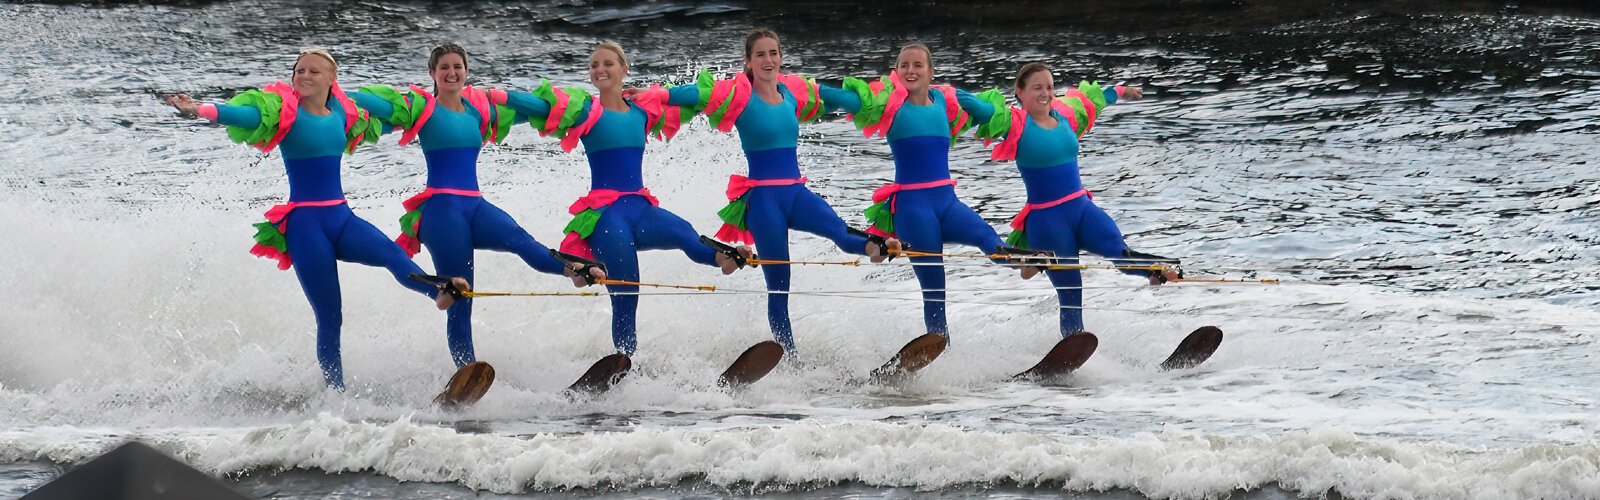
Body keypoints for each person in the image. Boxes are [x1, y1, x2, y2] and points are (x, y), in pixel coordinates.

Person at [165, 48, 469, 389]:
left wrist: (430, 118)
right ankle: (335, 395)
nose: (304, 77)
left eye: (313, 71)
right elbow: (239, 116)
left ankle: (438, 292)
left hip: (340, 217)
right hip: (305, 227)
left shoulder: (343, 113)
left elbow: (384, 123)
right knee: (330, 317)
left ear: (331, 79)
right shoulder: (284, 114)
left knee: (391, 254)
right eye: (299, 71)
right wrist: (198, 109)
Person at [348, 43, 604, 368]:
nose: (452, 73)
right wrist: (326, 89)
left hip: (475, 207)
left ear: (466, 71)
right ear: (433, 74)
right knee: (461, 295)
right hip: (441, 212)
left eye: (458, 67)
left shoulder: (476, 111)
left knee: (520, 239)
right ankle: (466, 372)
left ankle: (575, 271)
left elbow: (535, 110)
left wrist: (502, 95)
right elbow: (372, 103)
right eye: (444, 68)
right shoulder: (421, 108)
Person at [491, 41, 754, 355]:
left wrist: (666, 94)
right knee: (628, 292)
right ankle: (624, 362)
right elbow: (538, 107)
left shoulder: (643, 110)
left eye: (608, 64)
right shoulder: (585, 110)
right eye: (594, 65)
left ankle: (723, 258)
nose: (600, 70)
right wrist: (498, 98)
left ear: (624, 69)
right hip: (605, 215)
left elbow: (698, 99)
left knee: (684, 232)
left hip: (640, 208)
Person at [655, 29, 896, 354]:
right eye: (760, 55)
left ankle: (877, 248)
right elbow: (695, 95)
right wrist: (652, 95)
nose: (768, 60)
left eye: (773, 54)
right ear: (749, 62)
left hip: (796, 194)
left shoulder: (793, 93)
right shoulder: (739, 96)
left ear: (781, 57)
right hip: (763, 201)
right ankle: (790, 357)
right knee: (780, 283)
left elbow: (837, 98)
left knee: (839, 231)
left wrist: (879, 102)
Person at [816, 43, 1040, 341]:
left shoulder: (946, 101)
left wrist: (1016, 110)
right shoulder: (889, 104)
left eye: (918, 65)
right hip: (912, 208)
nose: (911, 70)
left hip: (947, 203)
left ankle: (1030, 264)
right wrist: (801, 88)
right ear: (896, 72)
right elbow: (844, 98)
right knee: (934, 282)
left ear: (930, 72)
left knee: (987, 237)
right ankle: (937, 345)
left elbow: (987, 112)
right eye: (904, 65)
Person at [959, 62, 1180, 337]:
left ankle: (1157, 271)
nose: (1045, 93)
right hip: (1047, 221)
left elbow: (1095, 101)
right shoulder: (1014, 122)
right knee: (1071, 292)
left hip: (1082, 209)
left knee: (1120, 252)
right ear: (1020, 92)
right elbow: (978, 108)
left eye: (1049, 87)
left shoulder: (1065, 116)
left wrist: (1122, 90)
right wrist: (937, 92)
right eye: (1037, 87)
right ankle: (1072, 349)